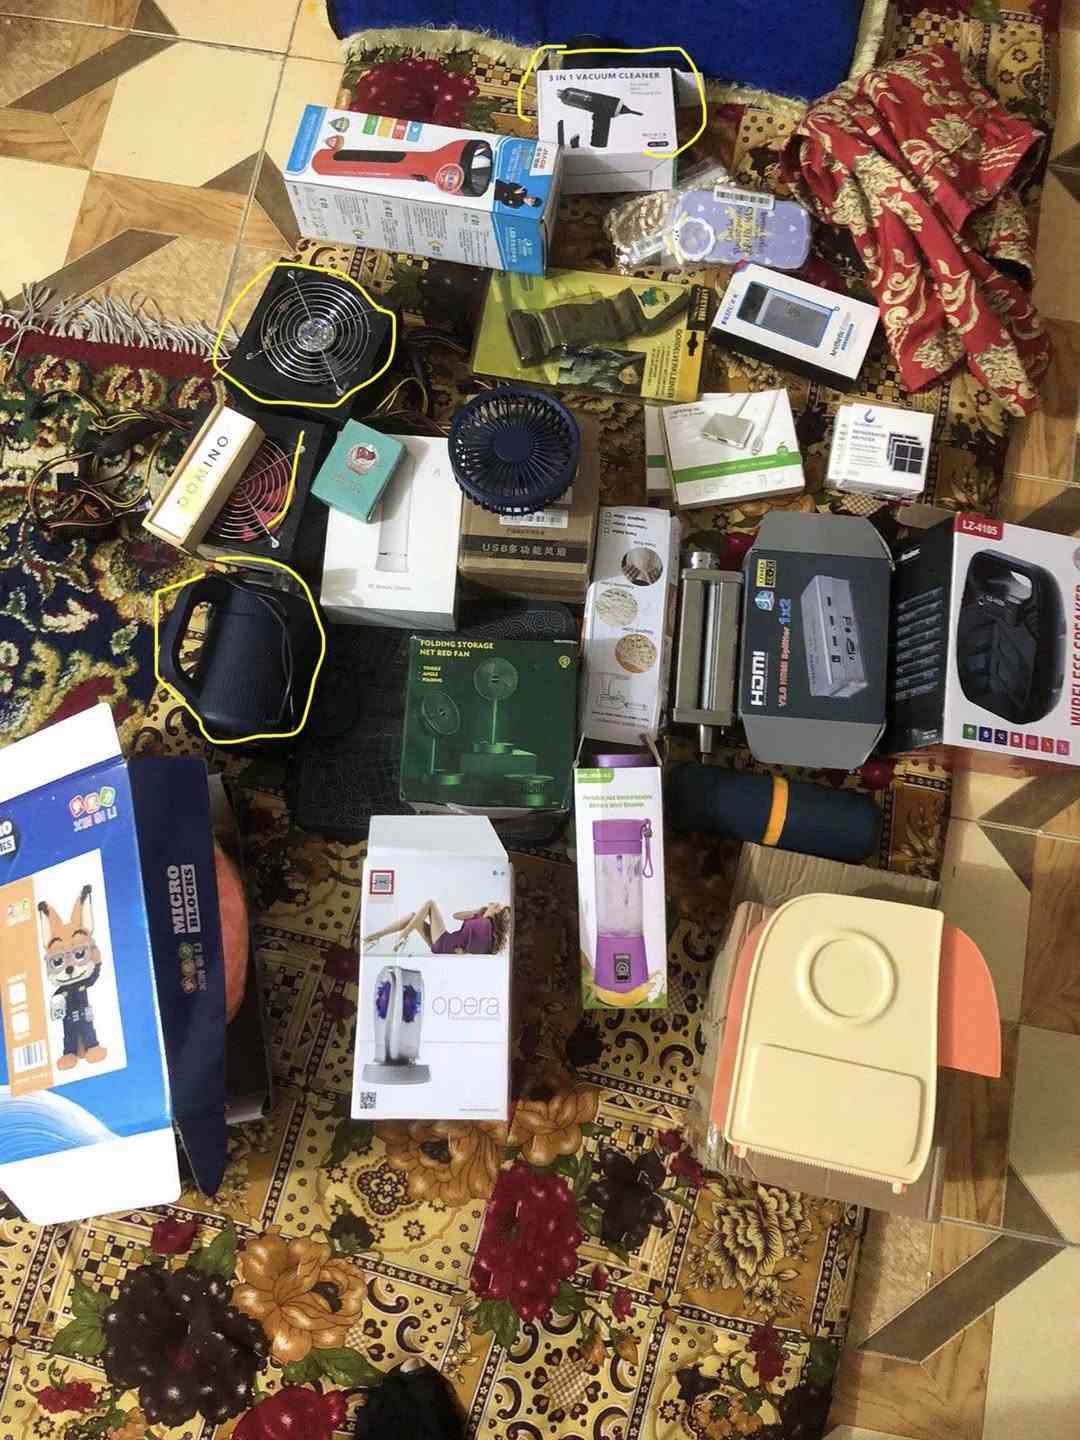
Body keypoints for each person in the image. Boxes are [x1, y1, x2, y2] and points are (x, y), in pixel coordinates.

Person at [363, 900, 511, 955]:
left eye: (495, 905)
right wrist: (477, 911)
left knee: (430, 904)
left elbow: (474, 948)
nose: (491, 904)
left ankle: (403, 935)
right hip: (444, 943)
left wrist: (464, 953)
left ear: (496, 912)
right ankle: (377, 936)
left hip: (446, 944)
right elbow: (456, 916)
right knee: (414, 916)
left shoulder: (485, 925)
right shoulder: (481, 919)